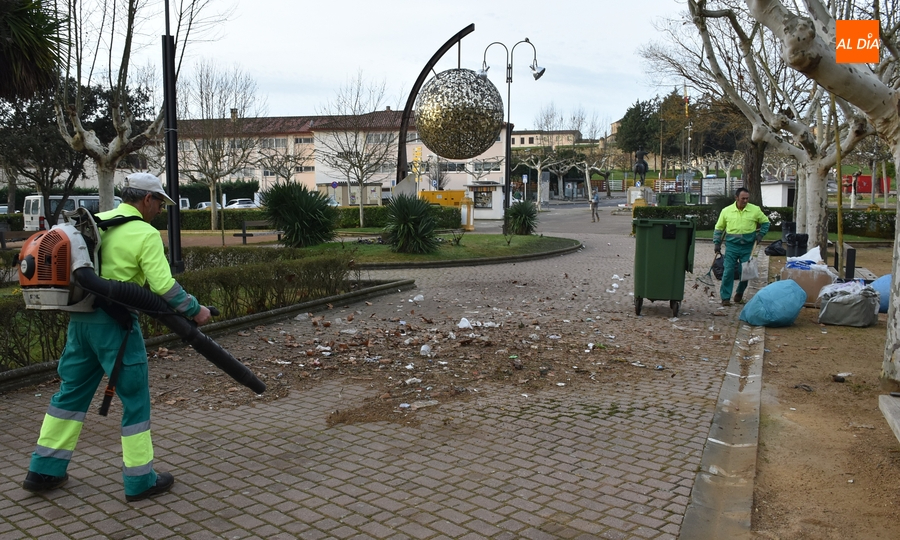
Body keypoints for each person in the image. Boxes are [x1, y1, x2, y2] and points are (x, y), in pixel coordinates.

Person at [22, 173, 211, 502]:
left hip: (80, 322)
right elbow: (164, 287)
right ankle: (140, 481)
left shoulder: (95, 222)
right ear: (147, 200)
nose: (159, 211)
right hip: (116, 327)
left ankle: (43, 471)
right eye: (158, 204)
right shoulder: (144, 233)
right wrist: (195, 310)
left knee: (70, 396)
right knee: (135, 401)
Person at [713, 187, 770, 306]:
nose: (745, 201)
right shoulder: (726, 211)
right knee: (728, 271)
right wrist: (717, 243)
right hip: (732, 247)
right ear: (736, 198)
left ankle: (739, 293)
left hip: (748, 247)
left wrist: (761, 235)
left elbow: (766, 222)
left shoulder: (755, 210)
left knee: (746, 272)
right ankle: (725, 298)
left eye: (747, 198)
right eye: (743, 198)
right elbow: (719, 228)